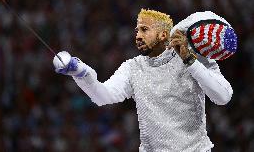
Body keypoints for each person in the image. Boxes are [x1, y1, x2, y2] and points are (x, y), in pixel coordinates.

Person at [53, 9, 233, 152]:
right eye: (137, 30)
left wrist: (190, 61)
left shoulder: (192, 57)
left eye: (144, 30)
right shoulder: (132, 68)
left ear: (164, 35)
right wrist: (80, 72)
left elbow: (223, 96)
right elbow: (102, 96)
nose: (138, 36)